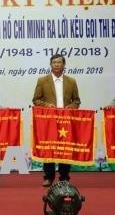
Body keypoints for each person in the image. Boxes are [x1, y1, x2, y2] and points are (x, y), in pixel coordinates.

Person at [32, 54, 80, 187]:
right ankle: (48, 177)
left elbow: (77, 101)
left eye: (59, 62)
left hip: (66, 121)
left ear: (64, 65)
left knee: (65, 148)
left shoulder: (71, 81)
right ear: (50, 65)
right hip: (49, 121)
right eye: (54, 62)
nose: (57, 65)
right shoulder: (42, 80)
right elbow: (36, 100)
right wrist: (47, 106)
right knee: (49, 148)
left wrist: (71, 107)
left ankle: (64, 177)